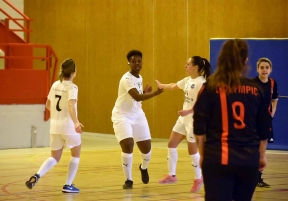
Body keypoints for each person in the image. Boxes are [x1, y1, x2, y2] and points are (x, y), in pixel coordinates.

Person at [193, 39, 270, 201]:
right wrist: (261, 155)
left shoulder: (210, 87)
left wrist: (202, 154)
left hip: (218, 159)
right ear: (246, 61)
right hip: (248, 160)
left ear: (221, 59)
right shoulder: (257, 90)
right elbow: (264, 127)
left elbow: (199, 125)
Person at [25, 58, 84, 193]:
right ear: (73, 72)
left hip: (54, 126)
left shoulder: (55, 85)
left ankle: (37, 175)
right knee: (75, 155)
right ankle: (68, 185)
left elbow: (47, 105)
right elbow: (70, 105)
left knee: (54, 157)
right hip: (68, 126)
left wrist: (59, 116)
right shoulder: (73, 87)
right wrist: (75, 122)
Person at [156, 56, 212, 193]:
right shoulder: (187, 80)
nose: (185, 66)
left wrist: (189, 111)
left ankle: (199, 178)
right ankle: (172, 175)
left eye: (188, 64)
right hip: (183, 119)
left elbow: (205, 105)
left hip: (194, 121)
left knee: (192, 151)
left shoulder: (202, 83)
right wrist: (162, 86)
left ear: (196, 67)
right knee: (171, 144)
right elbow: (175, 85)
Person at [111, 50, 164, 189]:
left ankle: (143, 167)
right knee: (128, 144)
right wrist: (154, 93)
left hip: (137, 115)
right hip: (121, 115)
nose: (137, 64)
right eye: (134, 61)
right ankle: (128, 180)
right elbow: (137, 97)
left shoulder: (139, 78)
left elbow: (138, 96)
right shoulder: (126, 78)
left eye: (139, 61)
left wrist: (144, 92)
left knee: (147, 149)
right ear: (129, 63)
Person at [252, 57, 279, 187]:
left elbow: (275, 99)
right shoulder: (251, 83)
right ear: (257, 69)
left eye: (267, 68)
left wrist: (273, 111)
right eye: (262, 67)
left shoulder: (273, 83)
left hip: (265, 121)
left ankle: (258, 178)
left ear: (270, 69)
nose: (264, 70)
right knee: (250, 149)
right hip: (251, 121)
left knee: (262, 150)